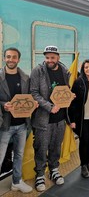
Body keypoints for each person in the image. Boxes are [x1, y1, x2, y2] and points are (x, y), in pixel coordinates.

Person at [30, 45, 70, 192]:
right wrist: (48, 106)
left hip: (60, 119)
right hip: (43, 119)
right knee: (41, 147)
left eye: (52, 57)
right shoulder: (37, 71)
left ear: (58, 57)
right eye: (47, 57)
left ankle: (54, 169)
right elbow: (33, 92)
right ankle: (40, 174)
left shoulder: (64, 71)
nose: (49, 60)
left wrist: (70, 97)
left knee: (56, 146)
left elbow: (65, 90)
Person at [0, 47, 32, 193]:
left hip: (22, 125)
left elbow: (30, 98)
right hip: (4, 125)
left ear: (18, 59)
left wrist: (34, 103)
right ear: (4, 58)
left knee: (18, 155)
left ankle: (16, 182)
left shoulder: (25, 78)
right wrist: (2, 105)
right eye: (8, 57)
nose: (11, 60)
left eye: (14, 57)